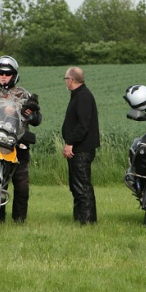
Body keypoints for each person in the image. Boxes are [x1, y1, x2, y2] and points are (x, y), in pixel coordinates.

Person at [0, 55, 41, 224]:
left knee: (22, 184)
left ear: (15, 75)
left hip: (19, 144)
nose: (4, 76)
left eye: (8, 73)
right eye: (0, 73)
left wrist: (31, 114)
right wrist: (1, 113)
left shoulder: (24, 94)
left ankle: (19, 220)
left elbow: (36, 119)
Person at [61, 66, 100, 224]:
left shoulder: (83, 96)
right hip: (78, 148)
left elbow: (83, 125)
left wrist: (70, 142)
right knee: (76, 185)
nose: (65, 82)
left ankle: (88, 221)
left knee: (83, 186)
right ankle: (79, 218)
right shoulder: (78, 95)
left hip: (82, 149)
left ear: (71, 80)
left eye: (66, 79)